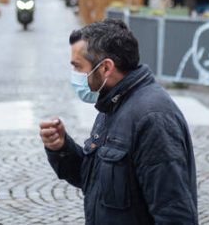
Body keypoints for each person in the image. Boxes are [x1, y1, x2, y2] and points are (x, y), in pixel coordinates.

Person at [39, 19, 198, 224]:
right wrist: (61, 147)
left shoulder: (153, 118)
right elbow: (95, 178)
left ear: (106, 68)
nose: (74, 76)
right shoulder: (113, 102)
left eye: (78, 67)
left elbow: (174, 212)